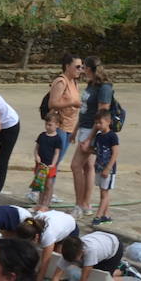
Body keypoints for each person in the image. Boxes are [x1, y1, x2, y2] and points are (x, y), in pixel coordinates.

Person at [71, 56, 111, 216]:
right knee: (88, 167)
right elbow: (85, 110)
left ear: (89, 68)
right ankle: (85, 205)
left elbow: (102, 115)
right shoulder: (91, 84)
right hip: (84, 128)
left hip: (92, 131)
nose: (81, 70)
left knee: (75, 165)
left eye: (83, 67)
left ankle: (79, 204)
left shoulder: (104, 88)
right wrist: (75, 130)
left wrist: (89, 138)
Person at [50, 232, 123, 281]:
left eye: (74, 260)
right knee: (90, 273)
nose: (73, 262)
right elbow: (56, 277)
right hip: (101, 241)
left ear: (81, 252)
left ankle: (123, 273)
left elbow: (84, 277)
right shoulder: (68, 252)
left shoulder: (90, 251)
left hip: (114, 247)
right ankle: (119, 270)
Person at [14, 210, 78, 281]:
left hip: (70, 228)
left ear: (36, 237)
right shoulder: (29, 225)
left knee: (56, 259)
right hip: (58, 221)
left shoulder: (48, 236)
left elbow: (44, 264)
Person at [84, 109, 119, 225]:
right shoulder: (99, 136)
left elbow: (115, 153)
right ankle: (106, 214)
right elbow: (97, 151)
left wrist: (108, 168)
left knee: (104, 193)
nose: (98, 126)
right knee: (103, 192)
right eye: (97, 123)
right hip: (99, 168)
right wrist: (87, 149)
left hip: (107, 170)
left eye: (100, 123)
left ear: (108, 121)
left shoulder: (112, 136)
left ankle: (98, 216)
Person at [46, 53, 82, 159]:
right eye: (77, 67)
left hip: (70, 126)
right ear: (67, 66)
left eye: (82, 67)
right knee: (53, 160)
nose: (80, 69)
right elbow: (52, 104)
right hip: (60, 125)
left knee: (58, 160)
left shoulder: (74, 82)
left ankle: (51, 176)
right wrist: (72, 103)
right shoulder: (61, 82)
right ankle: (46, 176)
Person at [30, 114, 63, 211]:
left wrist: (53, 164)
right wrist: (37, 156)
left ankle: (45, 205)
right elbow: (36, 148)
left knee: (48, 185)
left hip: (50, 166)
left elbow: (57, 153)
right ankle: (39, 204)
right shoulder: (42, 135)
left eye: (50, 125)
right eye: (46, 124)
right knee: (40, 185)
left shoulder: (57, 139)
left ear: (57, 125)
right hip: (40, 165)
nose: (47, 126)